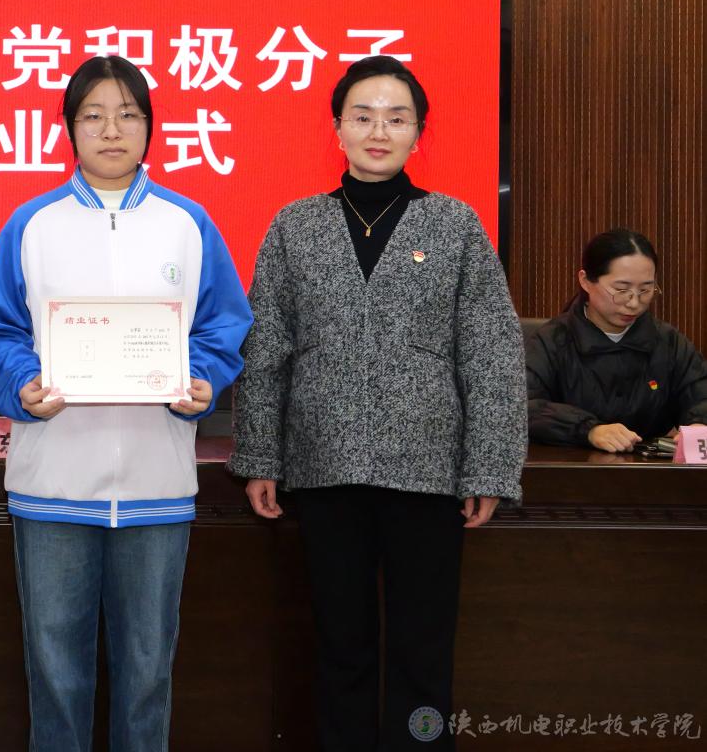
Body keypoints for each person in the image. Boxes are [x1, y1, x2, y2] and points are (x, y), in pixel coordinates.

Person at [229, 54, 526, 751]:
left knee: (424, 652)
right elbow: (266, 348)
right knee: (341, 646)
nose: (378, 131)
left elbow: (491, 352)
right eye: (362, 116)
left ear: (419, 133)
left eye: (397, 118)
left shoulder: (454, 225)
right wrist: (260, 456)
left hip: (427, 472)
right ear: (337, 128)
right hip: (323, 467)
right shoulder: (295, 226)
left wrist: (488, 466)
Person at [0, 55, 252, 751]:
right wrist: (22, 384)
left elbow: (225, 324)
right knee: (55, 675)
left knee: (147, 674)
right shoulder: (32, 224)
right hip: (53, 484)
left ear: (149, 127)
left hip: (156, 483)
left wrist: (201, 379)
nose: (111, 130)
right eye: (93, 116)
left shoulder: (187, 223)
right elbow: (1, 331)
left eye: (128, 115)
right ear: (69, 129)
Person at [528, 229, 707, 451]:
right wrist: (589, 430)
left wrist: (700, 425)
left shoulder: (669, 342)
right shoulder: (551, 342)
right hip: (570, 467)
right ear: (585, 281)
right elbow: (523, 407)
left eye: (645, 290)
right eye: (621, 289)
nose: (634, 303)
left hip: (649, 469)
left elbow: (700, 393)